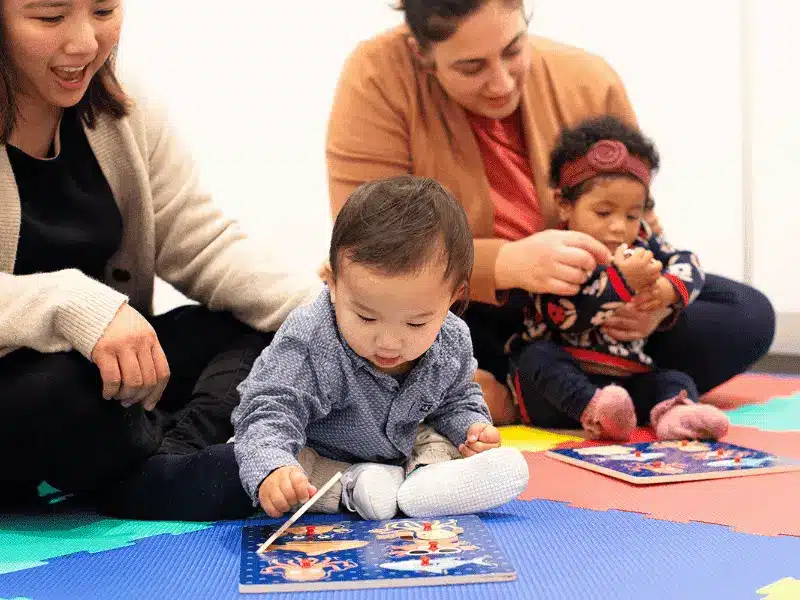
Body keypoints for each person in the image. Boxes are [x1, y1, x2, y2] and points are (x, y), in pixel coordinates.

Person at [325, 0, 775, 425]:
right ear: (420, 53)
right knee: (366, 328)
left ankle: (526, 393)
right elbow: (368, 242)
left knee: (747, 314)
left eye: (513, 50)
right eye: (470, 67)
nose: (500, 82)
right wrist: (505, 264)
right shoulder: (377, 76)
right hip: (465, 305)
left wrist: (655, 301)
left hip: (596, 303)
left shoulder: (588, 78)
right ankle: (582, 389)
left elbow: (640, 219)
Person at [0, 0, 317, 520]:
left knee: (272, 331)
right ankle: (164, 463)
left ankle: (167, 461)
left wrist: (339, 318)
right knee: (62, 390)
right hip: (38, 392)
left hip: (111, 387)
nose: (84, 43)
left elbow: (204, 244)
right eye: (50, 17)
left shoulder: (126, 108)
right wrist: (78, 305)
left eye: (103, 10)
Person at [232, 176, 529, 520]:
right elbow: (272, 408)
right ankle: (355, 488)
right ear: (331, 282)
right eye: (366, 317)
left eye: (416, 323)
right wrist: (273, 469)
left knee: (436, 439)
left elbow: (456, 399)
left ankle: (425, 483)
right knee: (285, 467)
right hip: (323, 453)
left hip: (402, 448)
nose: (389, 342)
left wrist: (472, 429)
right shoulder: (311, 339)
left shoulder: (452, 339)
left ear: (454, 297)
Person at [506, 116, 730, 441]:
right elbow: (564, 315)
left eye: (631, 215)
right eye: (603, 212)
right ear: (564, 205)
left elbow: (688, 262)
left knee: (673, 378)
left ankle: (675, 414)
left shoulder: (641, 241)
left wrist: (668, 291)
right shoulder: (558, 249)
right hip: (561, 388)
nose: (619, 227)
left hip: (625, 380)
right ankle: (595, 410)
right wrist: (621, 282)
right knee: (536, 358)